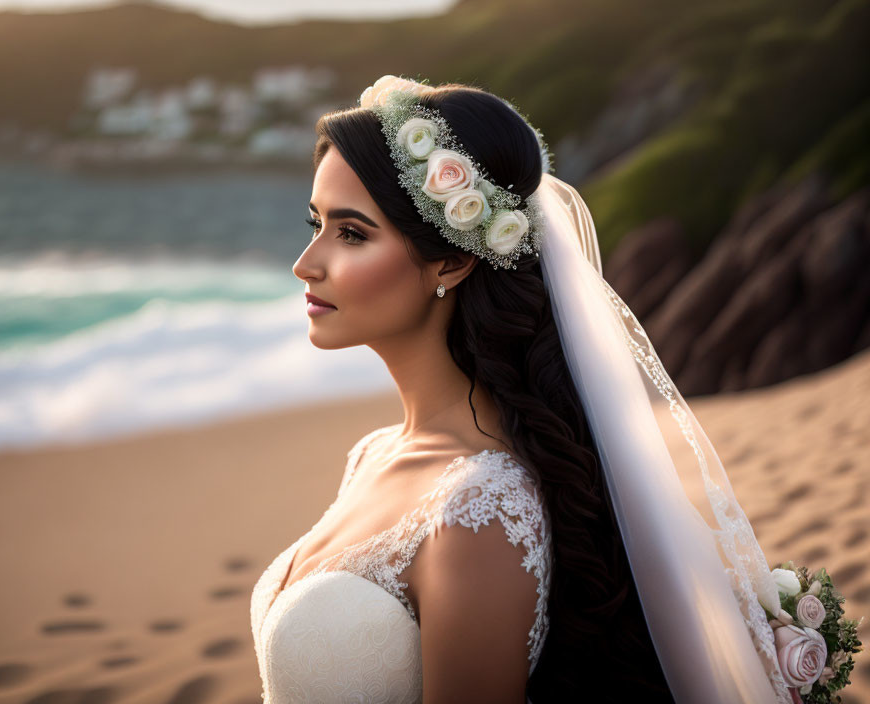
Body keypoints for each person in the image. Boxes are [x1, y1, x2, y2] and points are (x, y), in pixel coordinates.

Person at [250, 76, 790, 703]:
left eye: (351, 233)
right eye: (315, 223)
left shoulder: (478, 510)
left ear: (451, 261)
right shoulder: (372, 455)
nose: (305, 263)